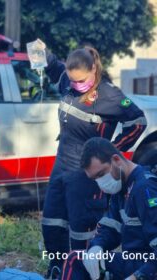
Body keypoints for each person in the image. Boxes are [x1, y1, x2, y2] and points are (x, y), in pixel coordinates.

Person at [37, 41, 147, 277]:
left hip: (87, 174)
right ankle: (57, 266)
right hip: (62, 166)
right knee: (52, 222)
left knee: (82, 229)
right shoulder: (69, 80)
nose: (75, 85)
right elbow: (54, 66)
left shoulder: (109, 94)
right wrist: (38, 50)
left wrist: (112, 150)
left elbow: (138, 121)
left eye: (80, 80)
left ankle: (85, 271)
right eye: (71, 80)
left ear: (93, 72)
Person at [62, 137, 157, 280]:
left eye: (101, 174)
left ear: (116, 160)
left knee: (74, 260)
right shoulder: (121, 187)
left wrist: (136, 277)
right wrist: (96, 247)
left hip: (147, 266)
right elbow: (110, 228)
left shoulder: (144, 189)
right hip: (133, 261)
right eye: (95, 179)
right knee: (84, 260)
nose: (101, 182)